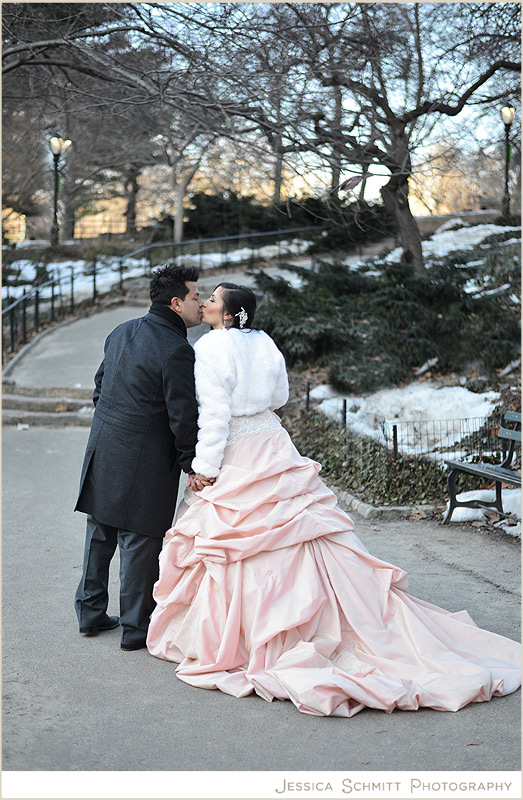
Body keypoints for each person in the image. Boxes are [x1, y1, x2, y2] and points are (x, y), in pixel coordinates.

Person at [146, 282, 521, 716]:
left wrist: (205, 469)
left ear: (228, 316)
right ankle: (327, 617)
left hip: (238, 450)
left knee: (241, 537)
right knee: (298, 526)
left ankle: (260, 632)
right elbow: (281, 398)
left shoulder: (211, 348)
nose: (206, 304)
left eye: (213, 300)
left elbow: (214, 417)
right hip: (271, 440)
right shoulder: (265, 342)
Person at [75, 263, 213, 651]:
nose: (200, 304)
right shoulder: (176, 350)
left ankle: (89, 614)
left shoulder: (122, 331)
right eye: (195, 297)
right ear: (175, 303)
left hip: (104, 446)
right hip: (146, 459)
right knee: (139, 541)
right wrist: (192, 463)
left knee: (100, 532)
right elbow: (183, 416)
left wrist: (111, 426)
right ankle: (136, 629)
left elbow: (100, 387)